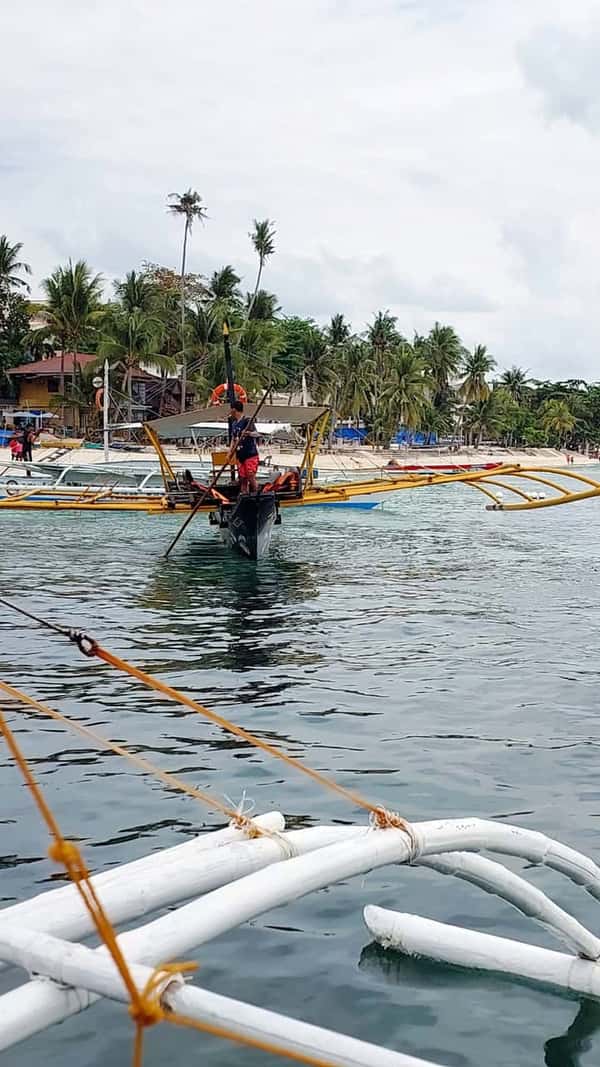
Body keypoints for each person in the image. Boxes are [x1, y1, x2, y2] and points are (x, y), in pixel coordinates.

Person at [229, 400, 259, 494]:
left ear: (234, 410)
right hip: (240, 455)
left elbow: (257, 434)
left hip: (250, 453)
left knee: (250, 475)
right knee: (242, 478)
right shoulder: (234, 424)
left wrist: (248, 433)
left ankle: (256, 494)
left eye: (231, 410)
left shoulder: (247, 421)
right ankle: (244, 494)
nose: (230, 412)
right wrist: (230, 452)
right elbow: (233, 439)